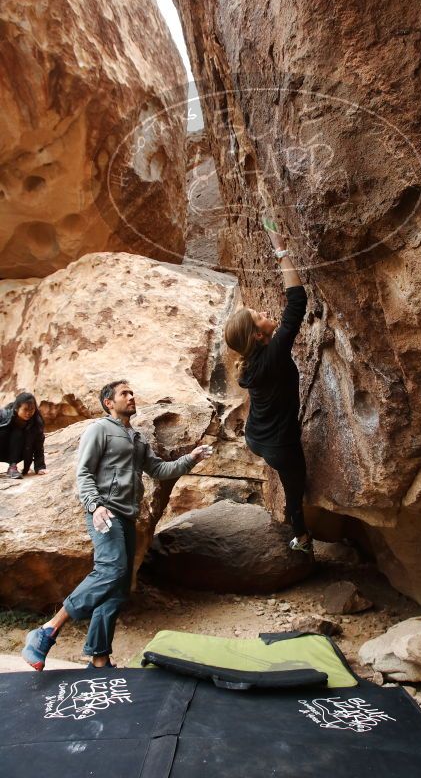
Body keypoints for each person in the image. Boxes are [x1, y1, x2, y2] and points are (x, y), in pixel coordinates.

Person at [21, 379, 213, 670]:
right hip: (105, 512)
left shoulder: (136, 438)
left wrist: (191, 458)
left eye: (132, 392)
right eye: (125, 393)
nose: (131, 396)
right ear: (109, 403)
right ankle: (47, 630)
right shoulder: (99, 429)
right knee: (110, 570)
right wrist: (94, 505)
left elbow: (159, 470)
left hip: (126, 517)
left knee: (118, 588)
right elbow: (84, 471)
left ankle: (99, 658)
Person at [224, 218, 312, 554]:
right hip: (276, 444)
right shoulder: (273, 355)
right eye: (258, 316)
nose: (263, 311)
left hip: (258, 438)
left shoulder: (256, 361)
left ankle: (299, 531)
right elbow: (297, 302)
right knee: (295, 488)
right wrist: (280, 249)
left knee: (291, 480)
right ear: (258, 336)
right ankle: (302, 538)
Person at [0, 392, 46, 479]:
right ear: (17, 408)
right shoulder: (3, 415)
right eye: (25, 409)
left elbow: (39, 446)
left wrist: (40, 467)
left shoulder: (36, 423)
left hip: (18, 451)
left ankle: (12, 468)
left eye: (32, 409)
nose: (29, 413)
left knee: (18, 433)